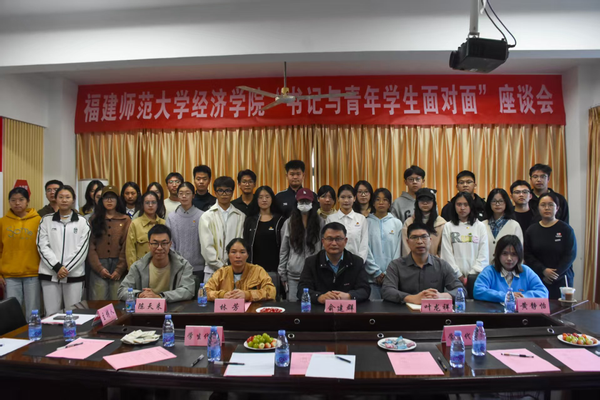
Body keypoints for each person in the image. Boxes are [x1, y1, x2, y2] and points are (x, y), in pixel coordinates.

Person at [37, 185, 91, 315]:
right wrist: (57, 267)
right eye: (60, 197)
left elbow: (82, 249)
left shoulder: (82, 222)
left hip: (74, 274)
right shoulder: (46, 220)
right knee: (51, 314)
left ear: (73, 200)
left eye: (68, 197)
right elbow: (42, 245)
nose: (64, 200)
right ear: (56, 199)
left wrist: (65, 269)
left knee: (73, 313)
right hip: (50, 273)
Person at [382, 222, 465, 304]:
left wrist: (441, 296)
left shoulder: (442, 265)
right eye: (414, 237)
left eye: (424, 237)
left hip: (433, 310)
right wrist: (412, 298)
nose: (419, 241)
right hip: (405, 311)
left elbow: (461, 290)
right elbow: (387, 290)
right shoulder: (396, 265)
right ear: (408, 242)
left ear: (430, 240)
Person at [297, 222, 370, 303]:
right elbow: (301, 290)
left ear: (345, 241)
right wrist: (319, 297)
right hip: (320, 308)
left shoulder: (356, 262)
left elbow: (365, 289)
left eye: (338, 239)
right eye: (329, 239)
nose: (334, 243)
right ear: (323, 241)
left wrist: (349, 296)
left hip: (347, 308)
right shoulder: (312, 262)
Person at [118, 225, 195, 302]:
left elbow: (188, 290)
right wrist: (140, 295)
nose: (159, 248)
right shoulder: (138, 266)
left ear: (170, 244)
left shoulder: (183, 265)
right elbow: (122, 291)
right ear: (149, 245)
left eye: (164, 243)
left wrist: (160, 297)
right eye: (155, 243)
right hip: (146, 308)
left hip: (174, 307)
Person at [524, 192, 577, 299]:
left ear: (557, 208)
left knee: (561, 308)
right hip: (538, 278)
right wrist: (543, 270)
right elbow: (527, 254)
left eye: (551, 205)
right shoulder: (531, 230)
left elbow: (570, 255)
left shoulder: (566, 229)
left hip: (562, 279)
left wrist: (554, 275)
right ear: (538, 208)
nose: (547, 208)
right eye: (543, 205)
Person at [0, 188, 42, 317]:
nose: (17, 203)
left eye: (21, 200)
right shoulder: (2, 222)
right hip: (9, 275)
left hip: (33, 273)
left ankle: (32, 331)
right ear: (9, 202)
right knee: (12, 311)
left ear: (27, 201)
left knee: (33, 311)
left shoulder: (38, 220)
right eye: (13, 200)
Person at [278, 188, 324, 301]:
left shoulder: (320, 222)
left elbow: (324, 248)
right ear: (296, 203)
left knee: (314, 306)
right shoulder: (289, 223)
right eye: (301, 201)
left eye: (307, 202)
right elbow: (284, 250)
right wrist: (282, 273)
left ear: (312, 203)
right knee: (293, 307)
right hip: (294, 275)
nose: (304, 204)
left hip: (315, 274)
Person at [474, 235, 548, 302]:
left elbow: (543, 292)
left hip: (520, 312)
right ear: (498, 254)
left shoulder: (526, 271)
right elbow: (478, 291)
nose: (509, 258)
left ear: (519, 256)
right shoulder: (489, 271)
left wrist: (524, 297)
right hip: (495, 312)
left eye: (514, 254)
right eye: (505, 253)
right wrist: (506, 296)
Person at [87, 186, 131, 300]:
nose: (109, 201)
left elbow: (126, 246)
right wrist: (99, 268)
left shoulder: (125, 220)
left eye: (112, 198)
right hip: (99, 265)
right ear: (102, 200)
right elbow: (90, 246)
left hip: (118, 264)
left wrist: (119, 269)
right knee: (98, 301)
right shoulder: (94, 219)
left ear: (118, 200)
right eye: (106, 198)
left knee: (117, 301)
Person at [199, 176, 246, 283]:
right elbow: (206, 247)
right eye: (220, 190)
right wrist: (221, 266)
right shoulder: (207, 216)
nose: (224, 194)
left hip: (235, 269)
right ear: (215, 192)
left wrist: (232, 265)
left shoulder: (240, 216)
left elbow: (240, 242)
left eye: (228, 190)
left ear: (233, 192)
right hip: (212, 271)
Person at [205, 238, 276, 302]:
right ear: (228, 255)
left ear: (247, 255)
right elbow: (205, 292)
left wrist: (248, 295)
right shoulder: (221, 273)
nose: (238, 256)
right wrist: (222, 295)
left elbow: (271, 291)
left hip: (251, 310)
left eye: (242, 252)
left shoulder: (258, 271)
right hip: (227, 311)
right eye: (233, 252)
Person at [440, 192, 489, 284]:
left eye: (466, 204)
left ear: (471, 206)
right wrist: (459, 275)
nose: (462, 208)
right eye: (459, 204)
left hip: (476, 277)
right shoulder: (448, 226)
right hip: (453, 277)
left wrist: (471, 276)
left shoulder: (480, 226)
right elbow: (446, 254)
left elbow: (484, 254)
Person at [365, 188, 402, 300]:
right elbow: (365, 249)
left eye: (385, 200)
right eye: (377, 199)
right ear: (373, 203)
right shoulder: (366, 222)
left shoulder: (397, 223)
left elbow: (398, 250)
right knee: (372, 308)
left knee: (391, 308)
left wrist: (388, 272)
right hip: (371, 278)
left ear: (389, 203)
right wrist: (375, 272)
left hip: (391, 277)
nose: (381, 202)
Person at [166, 182, 205, 286]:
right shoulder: (171, 217)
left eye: (187, 193)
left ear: (193, 195)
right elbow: (169, 243)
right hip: (177, 267)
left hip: (198, 268)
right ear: (177, 195)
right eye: (181, 193)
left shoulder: (202, 216)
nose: (184, 196)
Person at [243, 186, 285, 273]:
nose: (264, 200)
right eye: (261, 197)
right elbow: (246, 243)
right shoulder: (250, 220)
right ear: (256, 200)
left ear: (272, 199)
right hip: (254, 268)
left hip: (275, 268)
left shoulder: (280, 220)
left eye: (267, 197)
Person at [326, 184, 369, 262]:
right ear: (338, 199)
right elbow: (327, 242)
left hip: (356, 262)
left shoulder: (361, 219)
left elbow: (364, 245)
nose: (346, 200)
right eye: (343, 197)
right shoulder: (331, 219)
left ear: (354, 198)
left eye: (349, 197)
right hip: (335, 262)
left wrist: (359, 262)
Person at [125, 191, 166, 268]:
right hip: (141, 268)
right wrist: (133, 271)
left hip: (161, 267)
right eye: (147, 203)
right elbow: (130, 251)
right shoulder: (135, 224)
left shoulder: (164, 223)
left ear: (158, 204)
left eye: (153, 202)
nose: (150, 205)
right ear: (142, 205)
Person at [401, 188, 446, 256]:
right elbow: (406, 247)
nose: (425, 203)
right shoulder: (409, 222)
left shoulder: (441, 223)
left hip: (435, 261)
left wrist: (434, 261)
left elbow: (443, 250)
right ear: (417, 202)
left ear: (433, 203)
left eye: (428, 200)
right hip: (412, 261)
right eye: (422, 200)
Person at [483, 188, 523, 259]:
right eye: (494, 201)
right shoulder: (482, 225)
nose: (497, 204)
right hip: (485, 265)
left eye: (501, 201)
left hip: (508, 264)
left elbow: (519, 251)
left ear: (506, 203)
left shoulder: (514, 225)